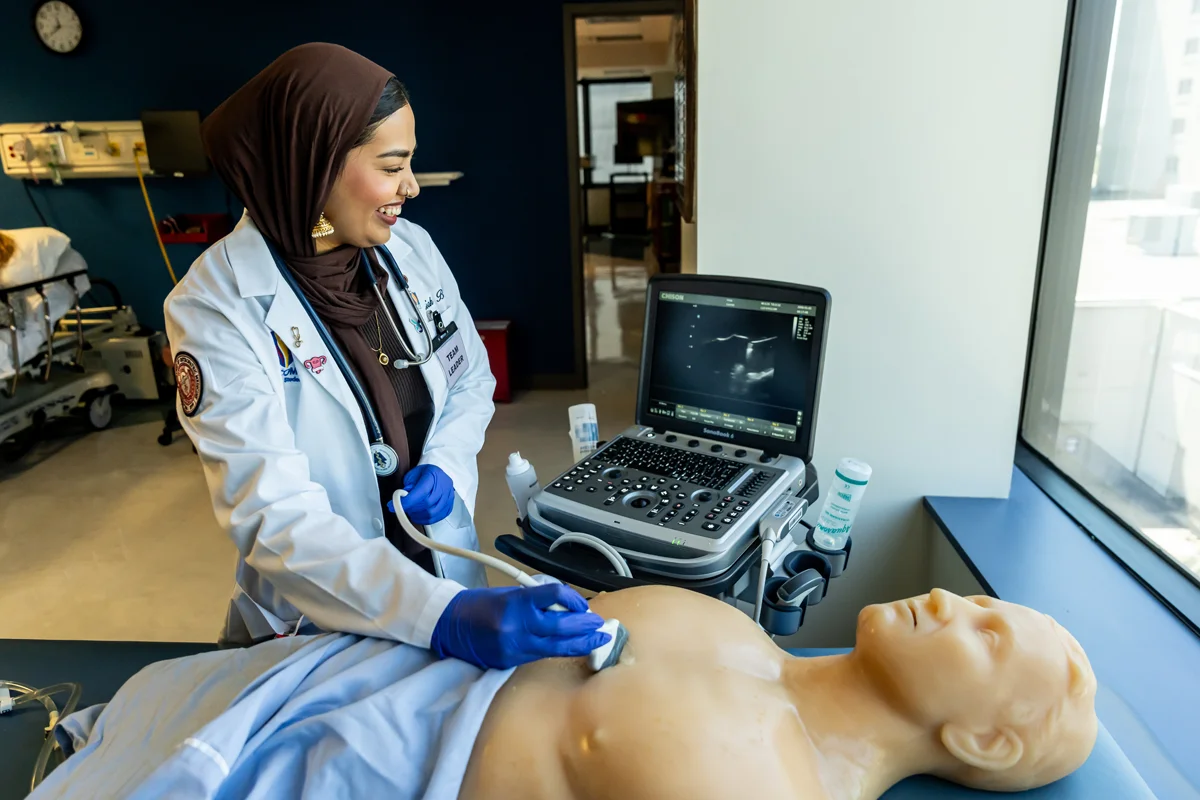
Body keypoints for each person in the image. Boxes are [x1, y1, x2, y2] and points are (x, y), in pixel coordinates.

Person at [165, 43, 608, 666]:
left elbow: (470, 377)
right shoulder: (216, 308)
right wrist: (442, 617)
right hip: (321, 619)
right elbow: (274, 518)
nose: (412, 187)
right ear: (314, 165)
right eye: (392, 165)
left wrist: (448, 468)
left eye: (411, 163)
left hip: (443, 563)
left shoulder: (409, 250)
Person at [27, 587, 1100, 800]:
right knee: (167, 696)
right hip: (369, 671)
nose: (951, 598)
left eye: (987, 630)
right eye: (977, 595)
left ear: (983, 739)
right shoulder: (735, 629)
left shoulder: (775, 787)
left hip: (388, 768)